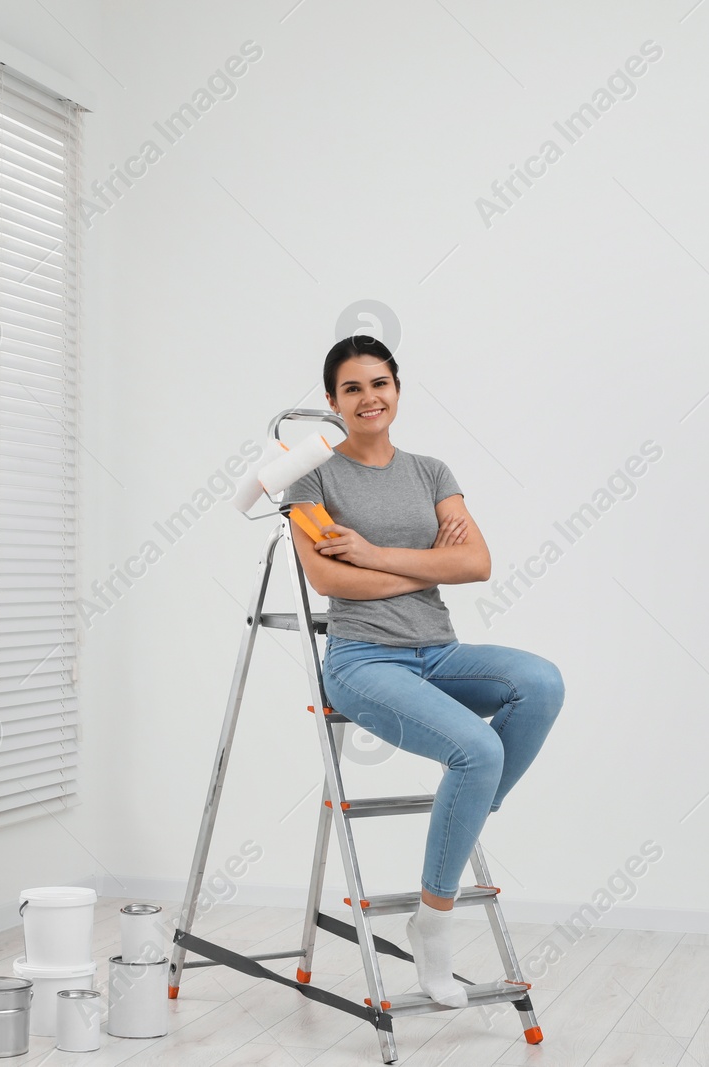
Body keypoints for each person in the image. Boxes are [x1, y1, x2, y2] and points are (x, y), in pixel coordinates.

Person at [279, 335, 565, 1008]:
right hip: (361, 659)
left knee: (542, 681)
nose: (368, 397)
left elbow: (475, 565)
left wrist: (371, 554)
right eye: (352, 388)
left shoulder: (433, 471)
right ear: (332, 402)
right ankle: (433, 927)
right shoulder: (311, 478)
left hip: (438, 650)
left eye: (379, 383)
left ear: (398, 390)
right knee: (478, 747)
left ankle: (467, 805)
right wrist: (419, 562)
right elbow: (327, 578)